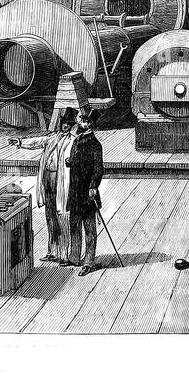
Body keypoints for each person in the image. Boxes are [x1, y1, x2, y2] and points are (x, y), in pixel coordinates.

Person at [9, 111, 78, 265]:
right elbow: (37, 142)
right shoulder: (52, 138)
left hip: (62, 185)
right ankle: (52, 252)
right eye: (63, 123)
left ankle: (64, 255)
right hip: (48, 182)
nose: (65, 126)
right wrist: (20, 142)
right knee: (50, 218)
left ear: (72, 125)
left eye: (68, 124)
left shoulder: (74, 141)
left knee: (63, 220)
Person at [66, 109, 106, 275]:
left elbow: (98, 169)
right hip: (75, 190)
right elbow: (75, 160)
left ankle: (89, 261)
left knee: (89, 227)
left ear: (90, 124)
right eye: (80, 120)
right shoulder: (77, 141)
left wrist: (93, 186)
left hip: (87, 191)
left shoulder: (95, 144)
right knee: (74, 224)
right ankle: (75, 256)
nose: (81, 123)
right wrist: (70, 162)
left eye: (84, 121)